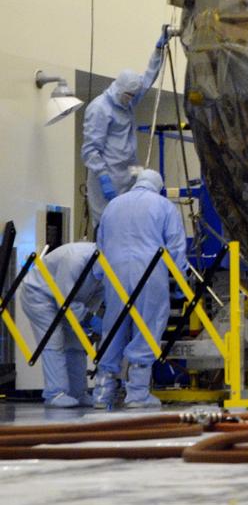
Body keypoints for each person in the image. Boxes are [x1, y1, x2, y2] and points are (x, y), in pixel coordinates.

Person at [93, 169, 188, 409]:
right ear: (158, 185)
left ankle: (102, 392)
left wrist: (100, 277)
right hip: (149, 271)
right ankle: (136, 393)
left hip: (114, 272)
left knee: (113, 326)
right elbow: (176, 247)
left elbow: (100, 245)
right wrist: (181, 284)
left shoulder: (112, 206)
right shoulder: (163, 206)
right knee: (148, 324)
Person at [81, 31, 171, 232]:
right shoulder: (100, 109)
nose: (132, 99)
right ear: (119, 89)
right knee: (108, 227)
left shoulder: (127, 102)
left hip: (128, 172)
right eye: (129, 95)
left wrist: (158, 51)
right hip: (106, 177)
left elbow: (148, 77)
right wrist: (104, 178)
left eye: (133, 96)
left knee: (127, 226)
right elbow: (90, 150)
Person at [19, 241, 103, 408]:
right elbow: (63, 299)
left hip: (71, 303)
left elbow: (94, 300)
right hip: (40, 295)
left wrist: (89, 322)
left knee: (77, 343)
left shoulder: (107, 270)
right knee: (53, 340)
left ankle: (77, 392)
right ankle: (55, 393)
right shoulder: (76, 258)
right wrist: (88, 318)